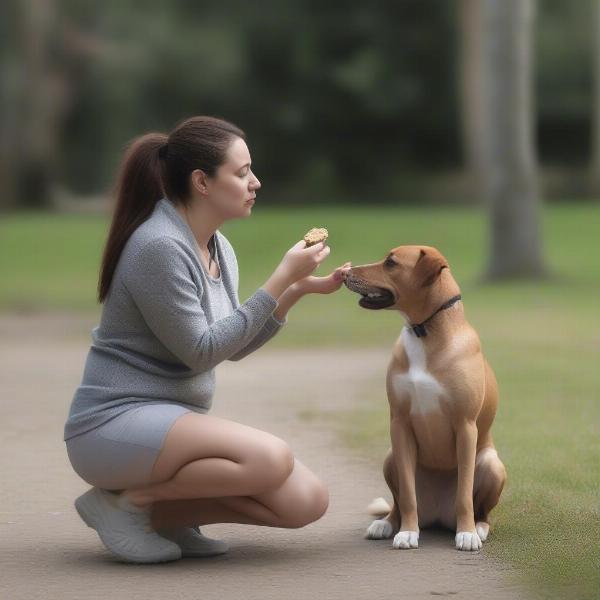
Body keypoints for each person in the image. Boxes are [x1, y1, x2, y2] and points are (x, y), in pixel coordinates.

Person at [63, 115, 351, 564]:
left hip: (169, 428)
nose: (255, 182)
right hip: (111, 427)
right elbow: (202, 353)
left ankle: (168, 515)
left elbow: (228, 347)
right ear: (201, 181)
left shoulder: (219, 247)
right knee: (271, 459)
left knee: (306, 499)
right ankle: (125, 505)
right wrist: (278, 279)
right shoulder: (158, 246)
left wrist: (293, 292)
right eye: (241, 173)